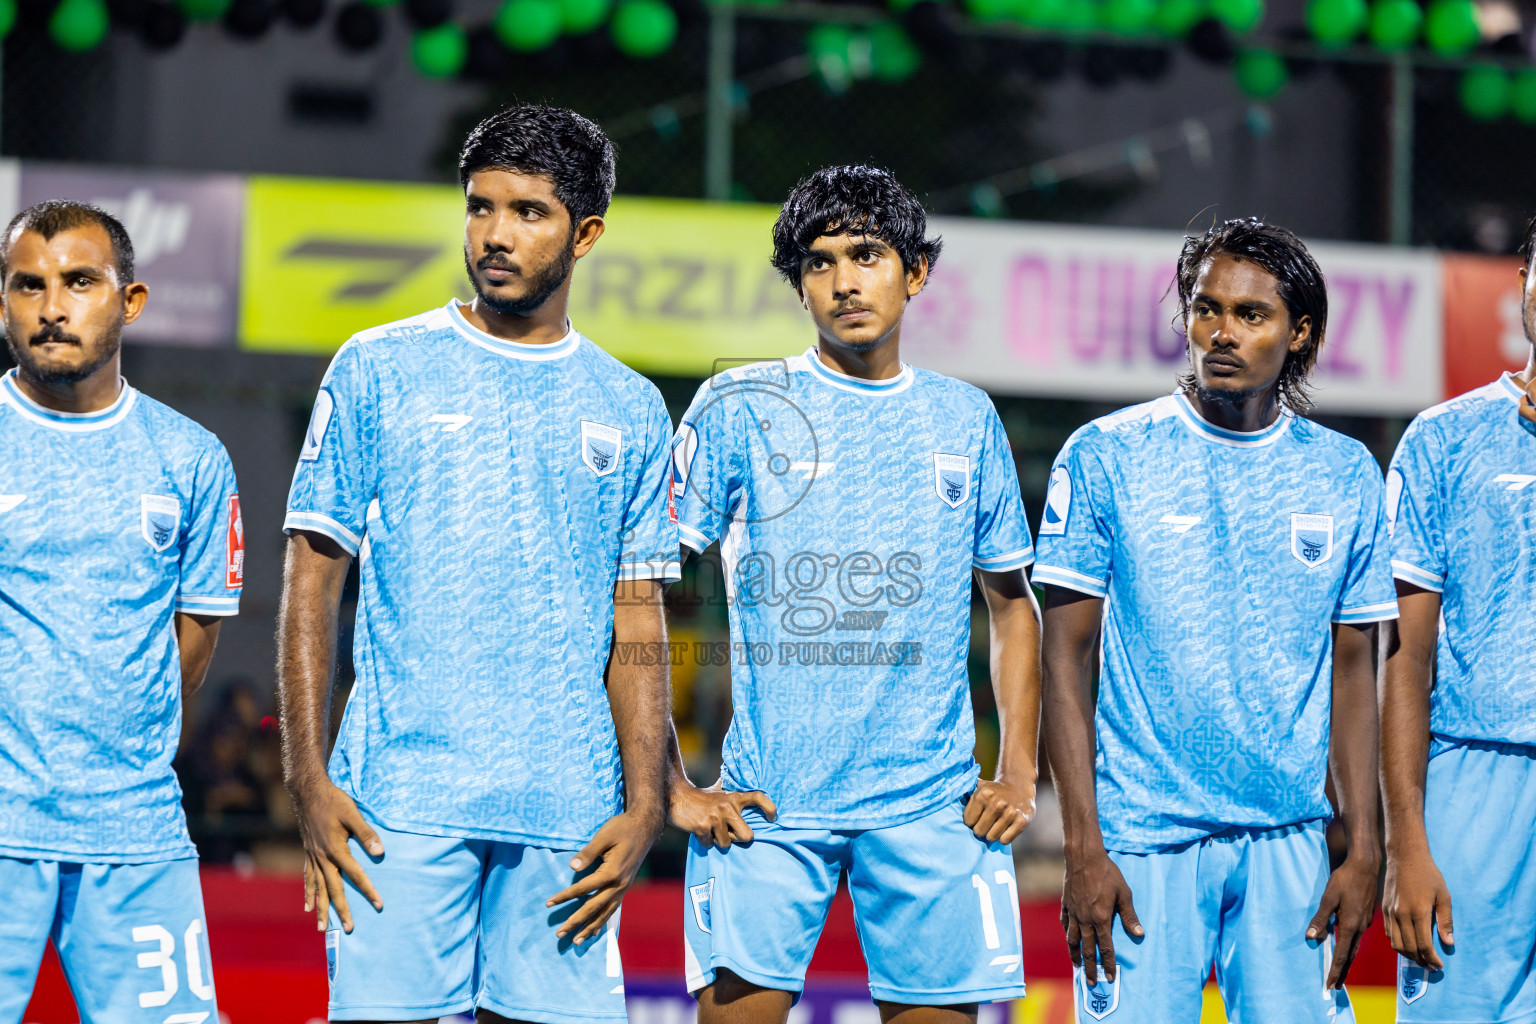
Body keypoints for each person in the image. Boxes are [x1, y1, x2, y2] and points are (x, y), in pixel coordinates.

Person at [276, 105, 677, 1024]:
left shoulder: (632, 405)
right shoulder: (378, 366)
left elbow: (639, 616)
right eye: (480, 207)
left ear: (586, 234)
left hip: (568, 810)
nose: (495, 235)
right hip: (398, 802)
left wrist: (647, 801)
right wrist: (307, 778)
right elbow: (310, 581)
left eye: (528, 212)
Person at [668, 165, 1041, 1023]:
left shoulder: (966, 419)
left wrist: (1019, 769)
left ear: (914, 271)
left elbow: (1013, 605)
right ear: (798, 284)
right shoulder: (739, 405)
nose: (843, 281)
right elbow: (647, 586)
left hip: (933, 809)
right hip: (767, 805)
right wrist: (670, 781)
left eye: (866, 255)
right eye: (819, 261)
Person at [1036, 218, 1391, 1022]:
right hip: (1140, 845)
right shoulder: (1106, 455)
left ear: (1300, 334)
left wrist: (1364, 847)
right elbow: (1064, 658)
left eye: (1251, 315)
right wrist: (1083, 846)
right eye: (1206, 309)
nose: (1221, 332)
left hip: (1289, 845)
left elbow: (1355, 671)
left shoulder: (1345, 475)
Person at [0, 201, 240, 1024]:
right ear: (3, 301)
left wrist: (118, 753)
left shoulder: (192, 458)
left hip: (134, 835)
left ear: (129, 301)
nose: (52, 307)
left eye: (79, 282)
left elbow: (194, 643)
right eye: (27, 285)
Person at [1380, 218, 1536, 1023]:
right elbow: (1404, 661)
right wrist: (1407, 841)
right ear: (1524, 287)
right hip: (1478, 783)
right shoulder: (1443, 440)